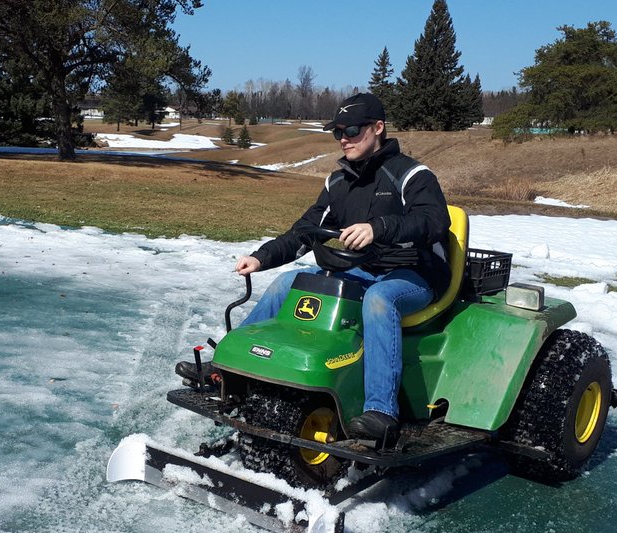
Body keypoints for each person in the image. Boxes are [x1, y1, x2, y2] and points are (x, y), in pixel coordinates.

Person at [185, 92, 451, 450]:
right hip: (363, 267)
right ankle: (227, 368)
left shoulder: (412, 175)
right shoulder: (339, 182)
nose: (344, 138)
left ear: (378, 128)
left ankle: (381, 412)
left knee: (378, 300)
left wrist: (379, 228)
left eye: (353, 130)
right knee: (288, 283)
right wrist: (262, 257)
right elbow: (304, 231)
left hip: (415, 273)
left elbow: (434, 221)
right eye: (337, 131)